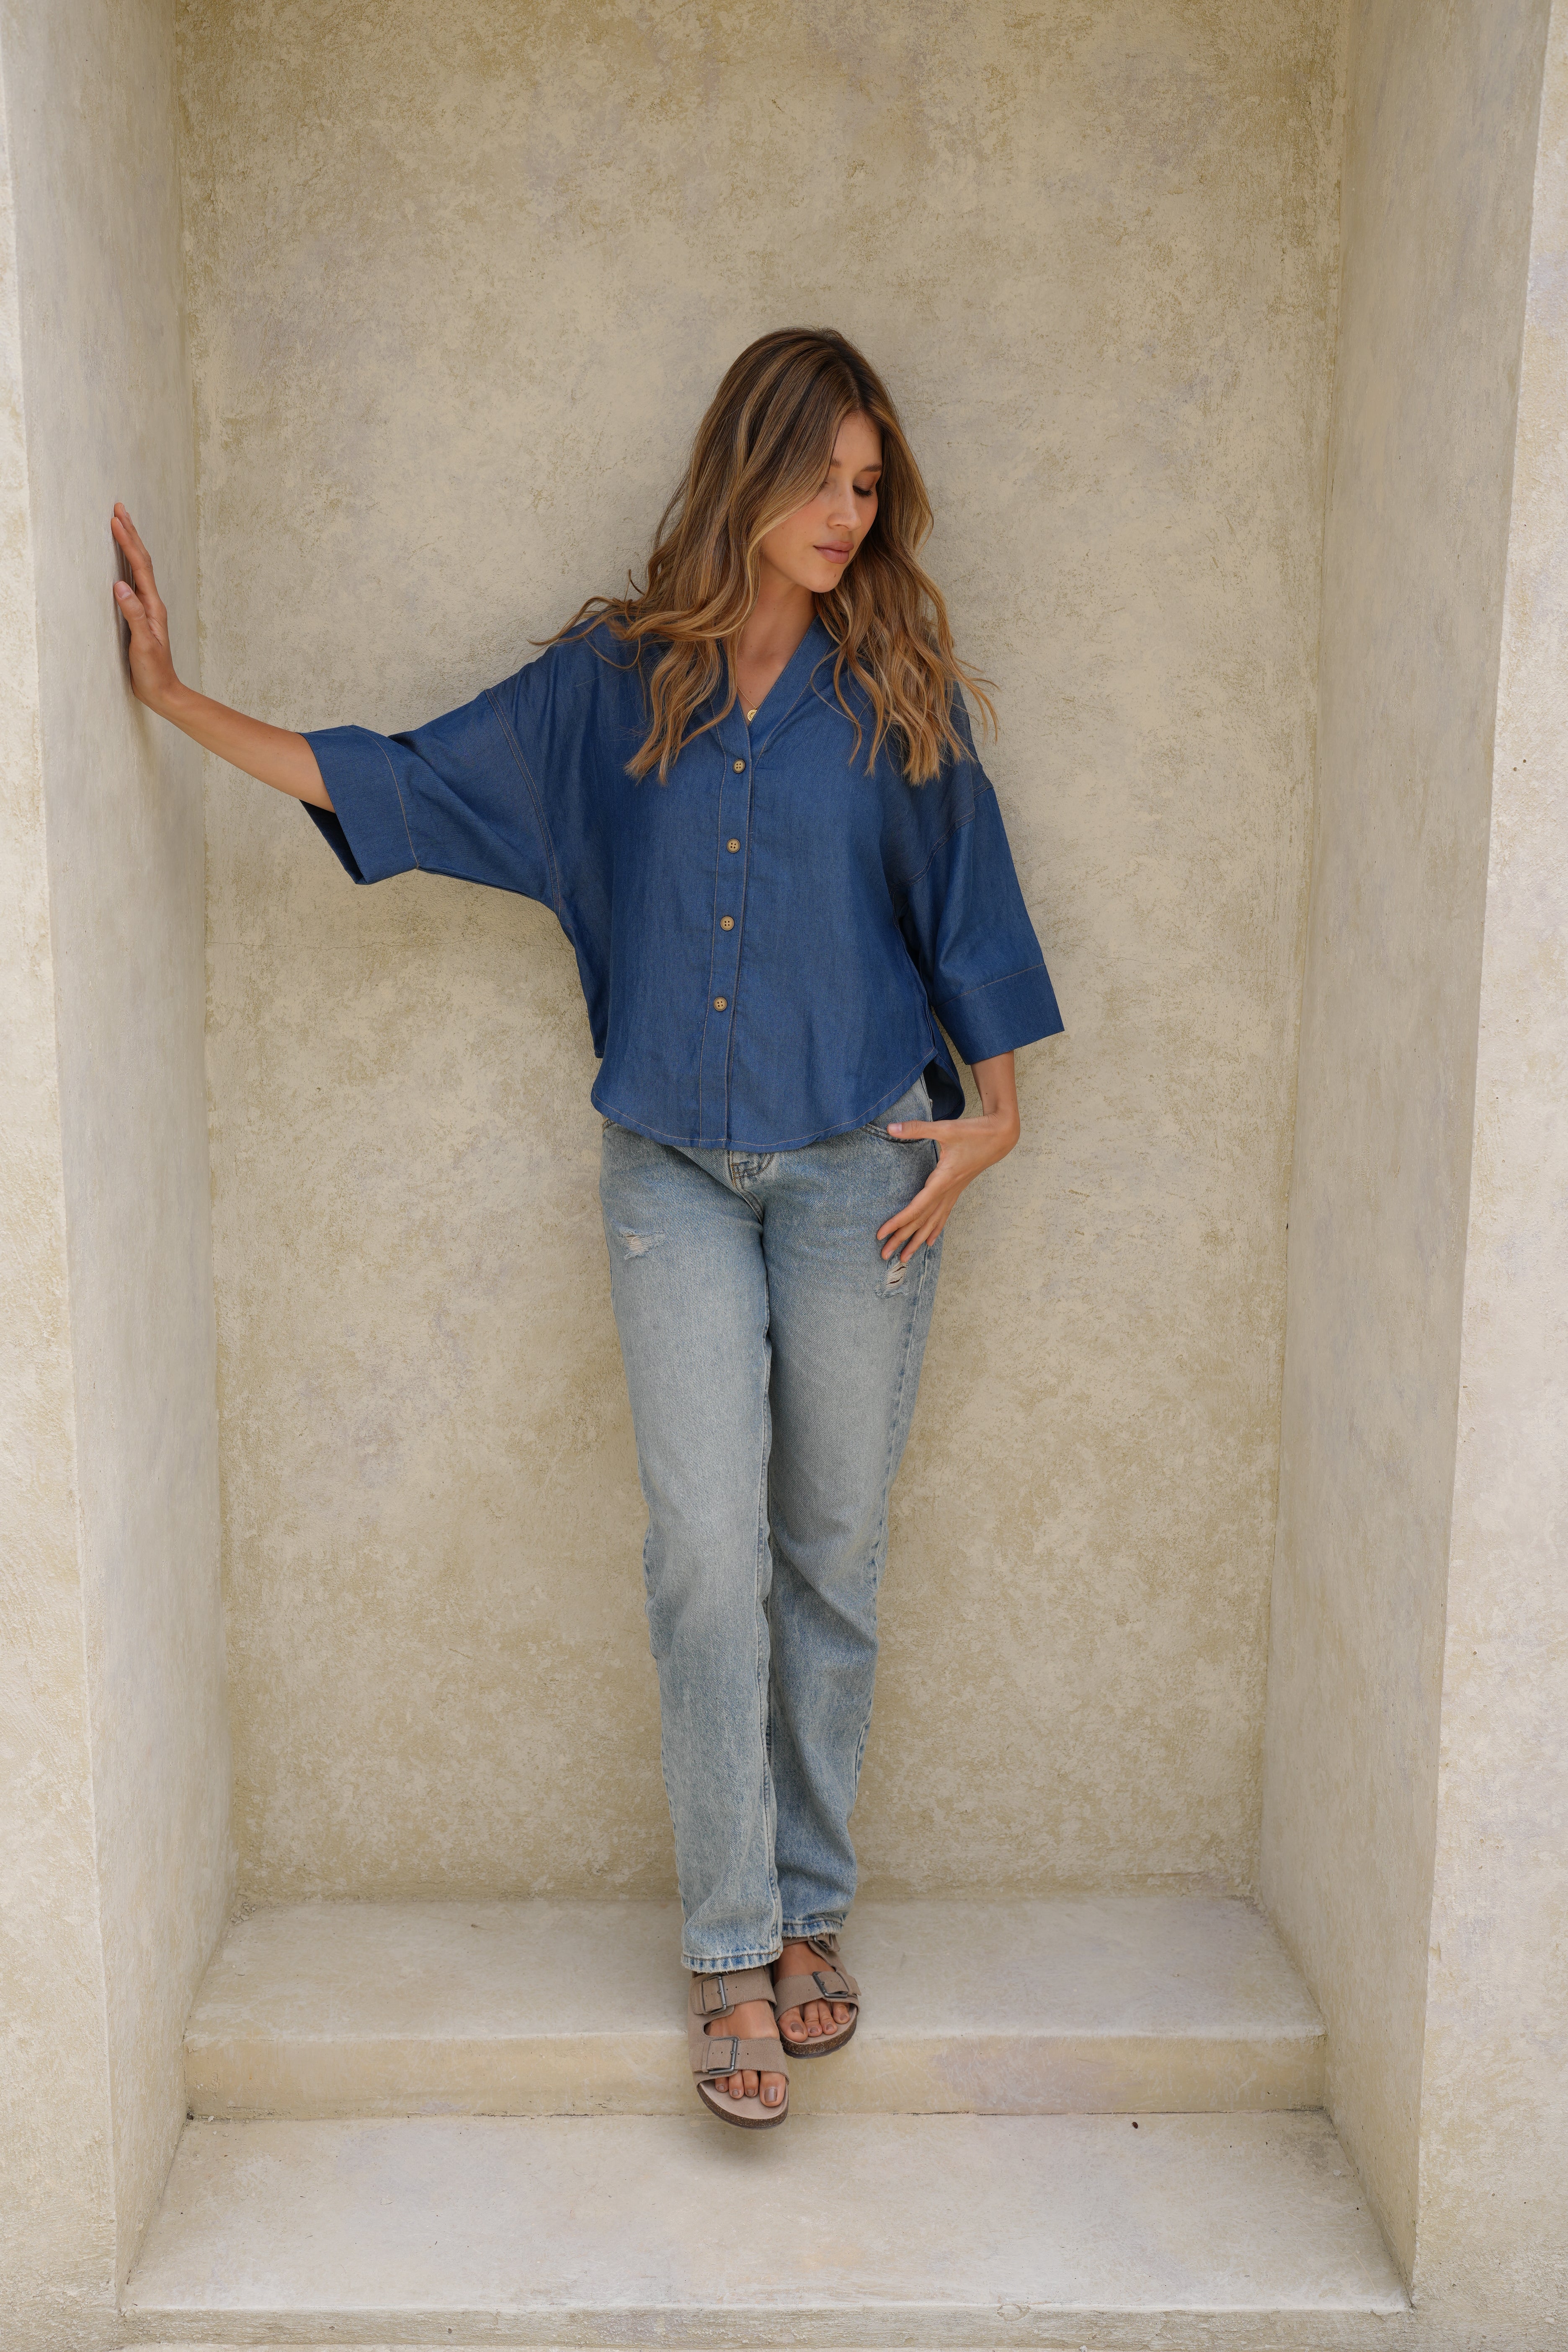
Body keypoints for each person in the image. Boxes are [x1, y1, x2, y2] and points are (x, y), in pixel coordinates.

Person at [111, 325, 1063, 2130]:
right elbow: (402, 779)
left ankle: (808, 1908)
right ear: (747, 468)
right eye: (821, 479)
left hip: (865, 1170)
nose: (848, 515)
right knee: (704, 1553)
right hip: (669, 1177)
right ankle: (730, 1948)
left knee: (830, 1553)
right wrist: (174, 700)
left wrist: (996, 1118)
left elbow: (974, 915)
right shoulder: (608, 689)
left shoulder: (894, 691)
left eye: (871, 487)